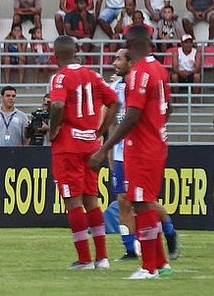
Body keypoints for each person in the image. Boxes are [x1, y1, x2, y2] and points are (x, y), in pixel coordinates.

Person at [89, 25, 172, 279]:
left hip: (141, 146)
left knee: (142, 202)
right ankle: (159, 263)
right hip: (154, 142)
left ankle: (149, 268)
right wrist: (156, 126)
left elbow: (132, 115)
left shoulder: (138, 73)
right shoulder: (159, 69)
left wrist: (104, 147)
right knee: (140, 201)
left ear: (132, 44)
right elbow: (168, 107)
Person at [48, 35, 119, 271]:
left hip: (69, 146)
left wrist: (54, 128)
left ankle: (85, 259)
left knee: (74, 202)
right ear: (76, 52)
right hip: (91, 144)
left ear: (55, 56)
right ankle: (103, 257)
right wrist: (100, 130)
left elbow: (57, 105)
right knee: (92, 200)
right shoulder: (93, 75)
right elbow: (115, 102)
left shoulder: (60, 77)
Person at [109, 48, 180, 262]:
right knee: (124, 200)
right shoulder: (115, 87)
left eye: (118, 59)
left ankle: (169, 231)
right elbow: (112, 121)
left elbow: (166, 109)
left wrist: (153, 130)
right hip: (122, 151)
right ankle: (131, 249)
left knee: (143, 201)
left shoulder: (142, 80)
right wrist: (111, 151)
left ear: (130, 62)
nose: (115, 63)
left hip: (141, 149)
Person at [171, 34, 202, 101]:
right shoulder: (176, 52)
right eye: (186, 42)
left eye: (190, 42)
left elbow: (197, 68)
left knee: (197, 76)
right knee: (174, 76)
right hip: (180, 74)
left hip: (191, 74)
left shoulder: (196, 52)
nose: (188, 44)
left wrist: (189, 72)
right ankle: (176, 99)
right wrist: (181, 72)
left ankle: (195, 99)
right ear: (182, 43)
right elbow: (174, 67)